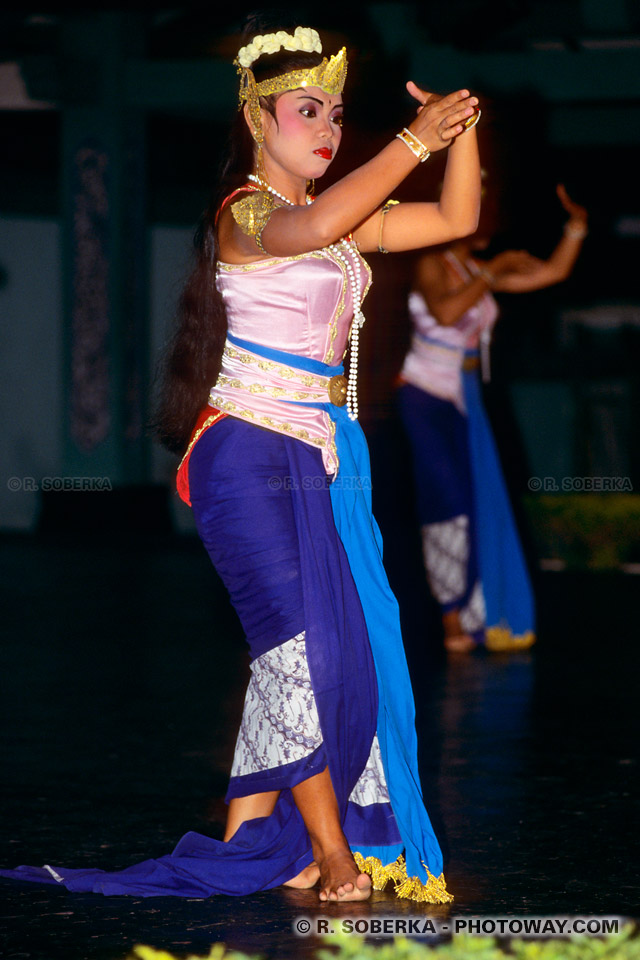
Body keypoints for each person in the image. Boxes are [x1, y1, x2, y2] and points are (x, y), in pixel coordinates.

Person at [1, 19, 482, 902]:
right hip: (245, 456)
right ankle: (332, 852)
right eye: (308, 111)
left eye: (337, 112)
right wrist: (411, 139)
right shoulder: (250, 214)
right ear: (259, 120)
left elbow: (457, 217)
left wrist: (462, 129)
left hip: (316, 458)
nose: (329, 129)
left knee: (326, 650)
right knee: (302, 650)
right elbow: (319, 222)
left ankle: (251, 837)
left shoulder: (339, 230)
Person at [397, 183, 588, 653]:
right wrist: (494, 272)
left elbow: (553, 273)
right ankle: (450, 619)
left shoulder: (475, 267)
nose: (486, 220)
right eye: (476, 211)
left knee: (477, 499)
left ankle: (478, 611)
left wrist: (576, 227)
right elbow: (444, 312)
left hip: (464, 397)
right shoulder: (430, 263)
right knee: (448, 501)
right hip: (423, 395)